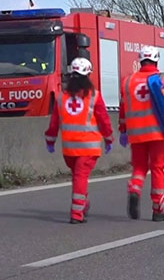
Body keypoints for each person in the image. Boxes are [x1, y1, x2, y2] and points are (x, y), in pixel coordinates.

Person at [44, 57, 114, 224]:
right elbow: (103, 119)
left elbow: (54, 123)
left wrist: (50, 140)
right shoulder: (94, 96)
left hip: (69, 149)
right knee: (81, 178)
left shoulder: (62, 97)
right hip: (88, 147)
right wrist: (109, 138)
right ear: (88, 75)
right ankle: (77, 213)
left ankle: (83, 203)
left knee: (78, 177)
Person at [119, 46, 164, 222]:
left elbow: (123, 109)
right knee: (157, 168)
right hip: (158, 133)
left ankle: (134, 189)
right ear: (156, 60)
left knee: (139, 168)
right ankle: (158, 210)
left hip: (136, 133)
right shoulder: (162, 78)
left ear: (140, 60)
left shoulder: (128, 81)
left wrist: (123, 130)